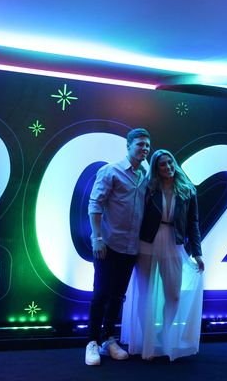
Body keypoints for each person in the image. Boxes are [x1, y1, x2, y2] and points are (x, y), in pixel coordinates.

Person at [121, 149, 205, 361]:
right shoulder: (148, 189)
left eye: (170, 163)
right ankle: (146, 342)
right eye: (162, 164)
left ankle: (166, 336)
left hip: (173, 242)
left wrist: (198, 253)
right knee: (144, 294)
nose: (168, 167)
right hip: (147, 242)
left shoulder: (187, 190)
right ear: (156, 169)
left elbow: (193, 223)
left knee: (174, 295)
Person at [84, 128, 151, 366]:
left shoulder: (145, 175)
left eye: (147, 145)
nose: (144, 148)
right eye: (140, 144)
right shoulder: (111, 170)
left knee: (118, 296)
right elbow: (95, 205)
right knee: (100, 294)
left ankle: (108, 339)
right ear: (129, 145)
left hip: (131, 247)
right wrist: (97, 238)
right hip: (108, 244)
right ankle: (91, 342)